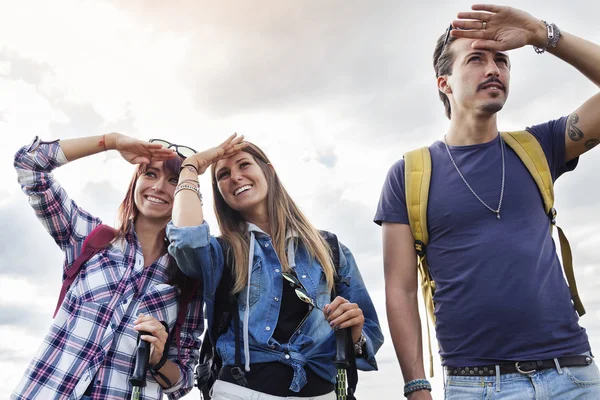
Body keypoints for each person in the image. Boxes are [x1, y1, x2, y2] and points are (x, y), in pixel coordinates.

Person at [374, 4, 600, 400]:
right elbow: (400, 289)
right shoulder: (409, 175)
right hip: (478, 385)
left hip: (574, 375)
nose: (493, 69)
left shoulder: (540, 147)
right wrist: (416, 387)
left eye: (502, 60)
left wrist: (539, 33)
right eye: (476, 59)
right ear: (443, 83)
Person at [167, 135, 384, 399]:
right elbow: (187, 238)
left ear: (268, 170)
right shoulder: (221, 252)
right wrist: (190, 167)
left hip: (325, 392)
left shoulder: (330, 248)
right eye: (223, 174)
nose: (235, 177)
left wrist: (356, 333)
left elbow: (369, 333)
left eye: (244, 165)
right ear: (220, 192)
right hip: (241, 391)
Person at [12, 133, 203, 399]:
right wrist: (111, 142)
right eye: (150, 174)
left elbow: (182, 382)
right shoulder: (87, 237)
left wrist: (158, 359)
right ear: (135, 181)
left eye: (174, 181)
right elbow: (30, 164)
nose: (159, 187)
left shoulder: (189, 277)